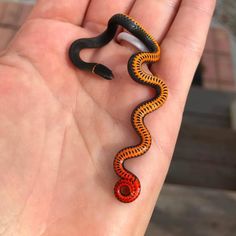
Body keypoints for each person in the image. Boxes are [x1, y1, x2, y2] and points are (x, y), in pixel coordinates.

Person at [0, 0, 216, 235]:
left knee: (140, 53)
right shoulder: (86, 57)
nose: (109, 75)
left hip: (125, 34)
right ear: (95, 69)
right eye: (105, 74)